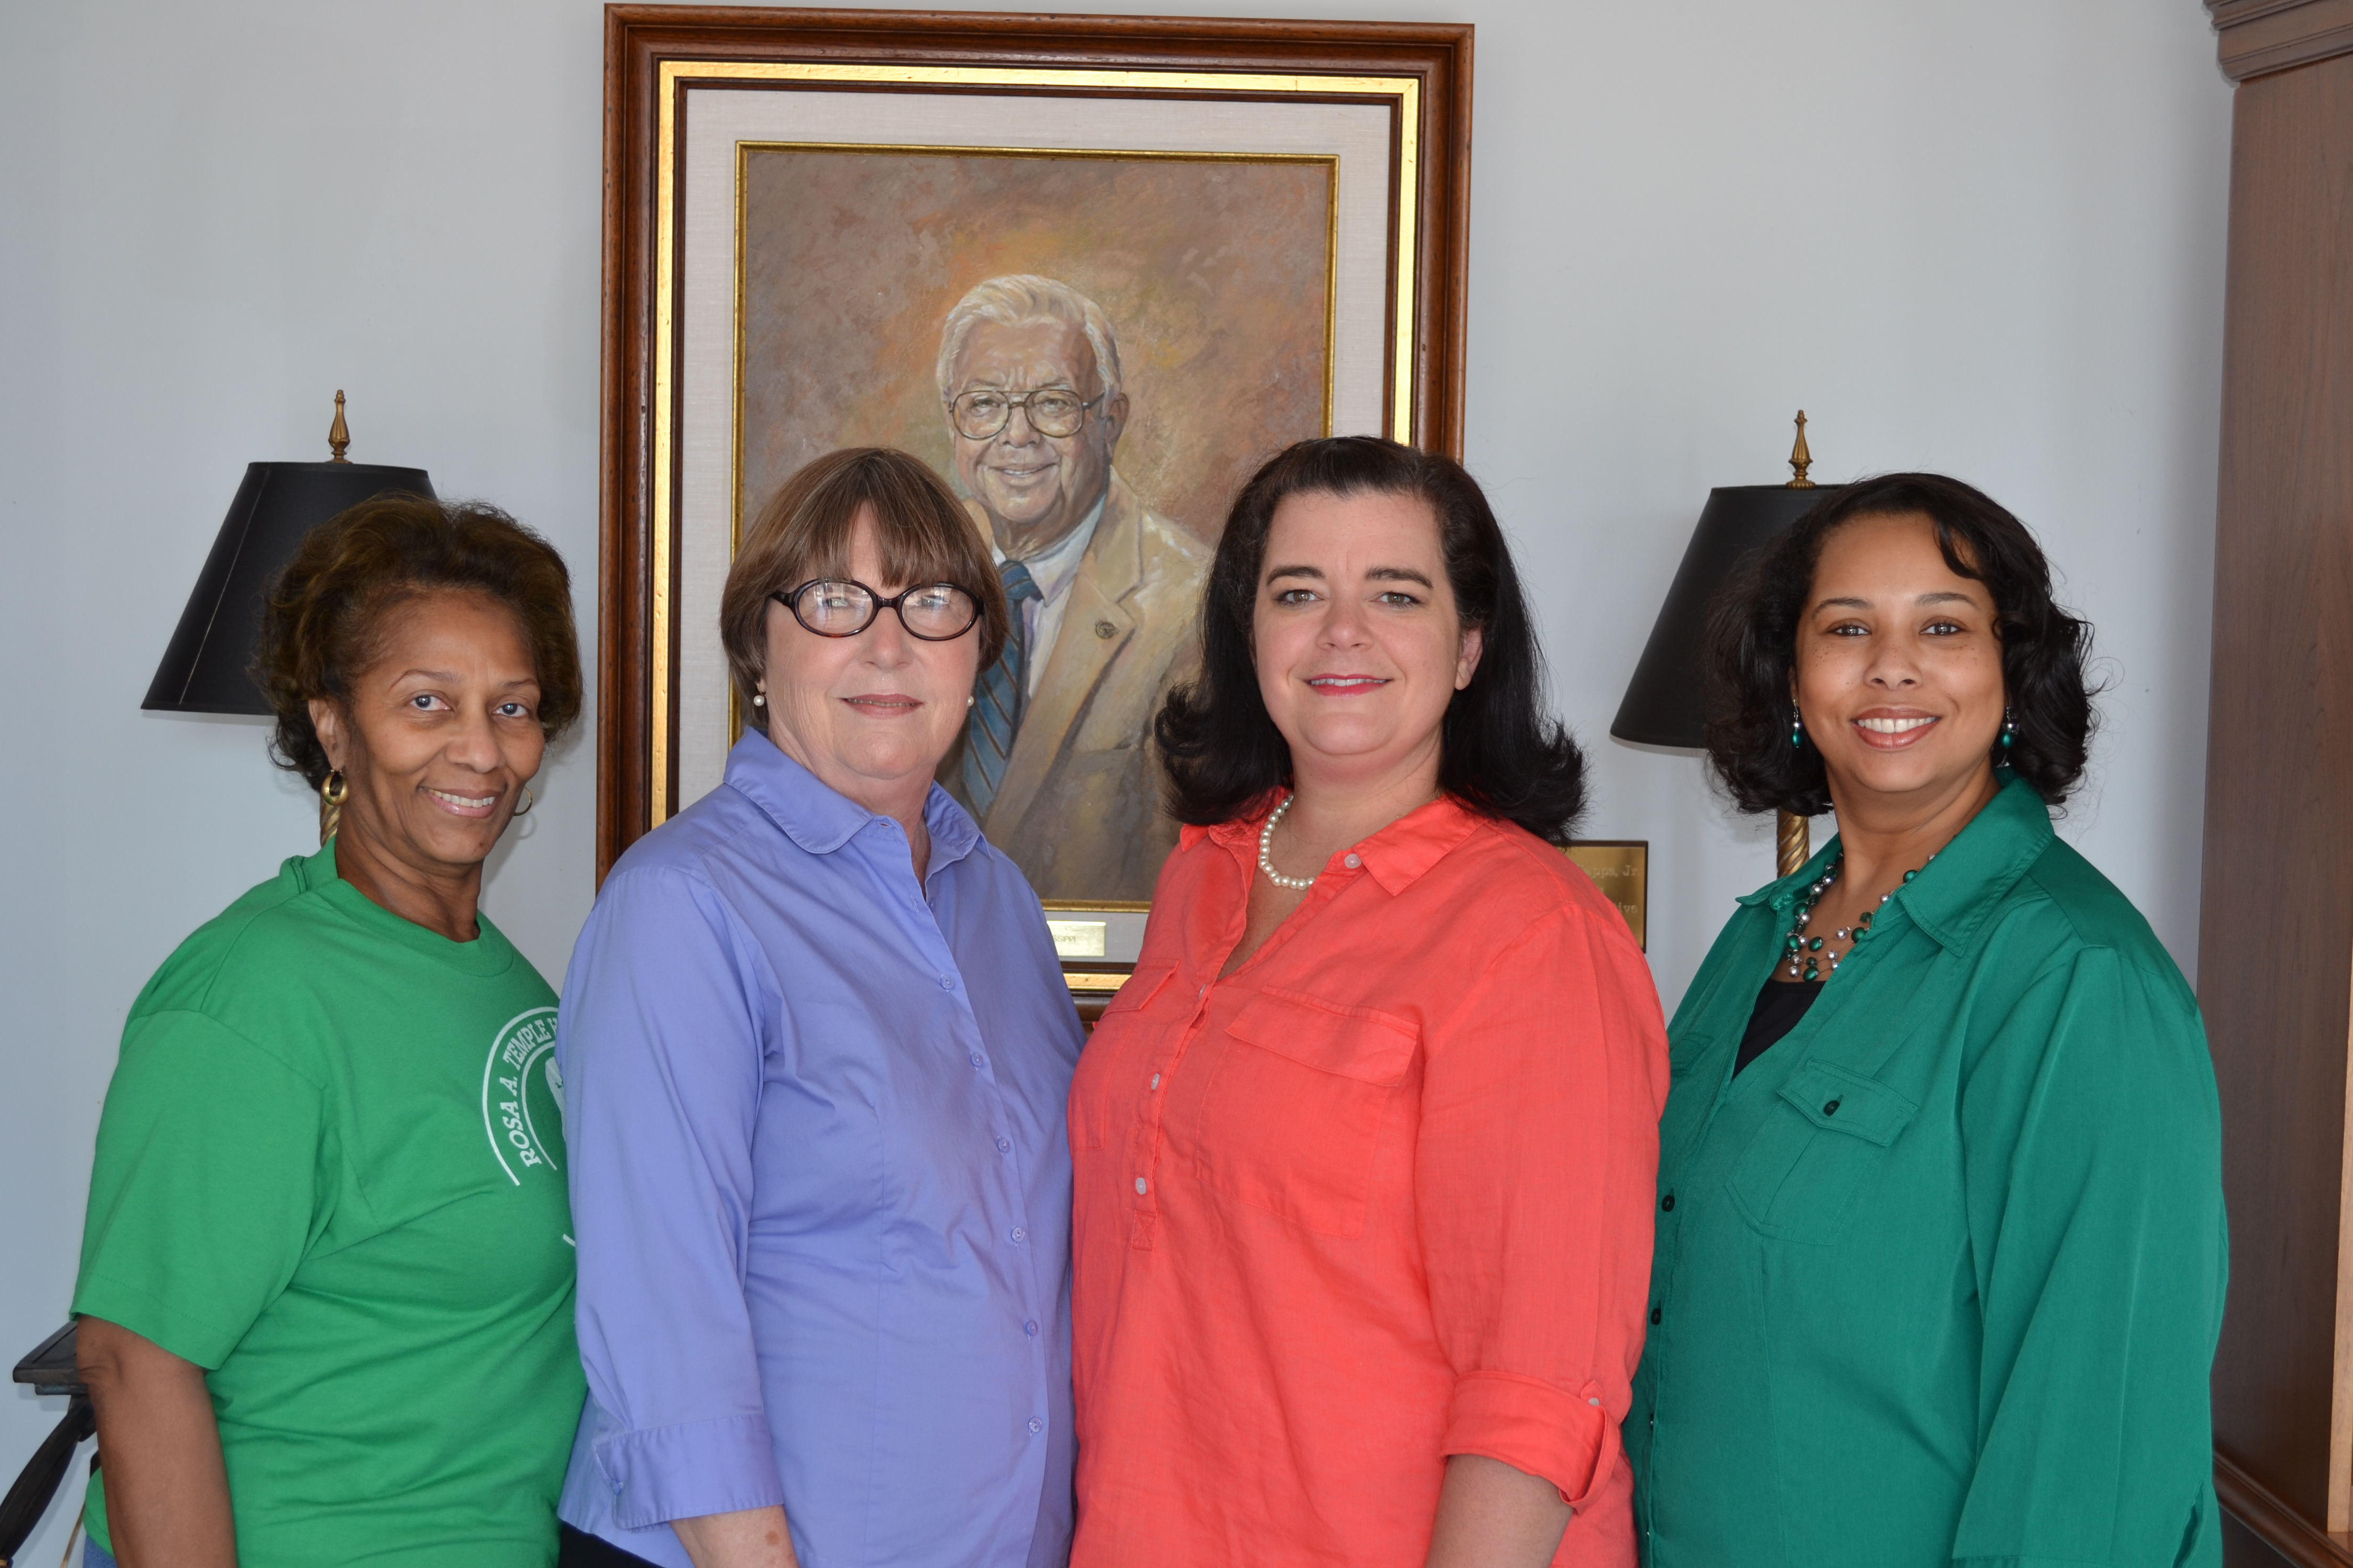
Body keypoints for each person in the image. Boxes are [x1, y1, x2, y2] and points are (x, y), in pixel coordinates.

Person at [1069, 436, 1668, 1567]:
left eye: (1396, 594)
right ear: (1251, 638)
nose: (1343, 632)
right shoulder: (1202, 875)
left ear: (1467, 648)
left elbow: (1539, 1394)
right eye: (1300, 593)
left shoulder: (1535, 936)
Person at [1627, 475, 2226, 1565]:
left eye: (1943, 627)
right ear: (1794, 677)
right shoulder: (1760, 941)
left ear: (2014, 670)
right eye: (1846, 627)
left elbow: (2099, 1454)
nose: (1890, 665)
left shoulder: (2076, 981)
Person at [556, 447, 1085, 1568]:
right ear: (758, 644)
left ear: (979, 648)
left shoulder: (1000, 905)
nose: (888, 643)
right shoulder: (681, 905)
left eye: (931, 600)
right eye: (837, 601)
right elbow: (664, 1318)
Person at [72, 495, 586, 1568]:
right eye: (427, 702)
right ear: (334, 725)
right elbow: (133, 1359)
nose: (481, 752)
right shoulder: (251, 998)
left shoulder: (516, 988)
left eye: (514, 707)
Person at [933, 273, 1210, 901]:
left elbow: (1191, 888)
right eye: (984, 404)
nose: (1017, 436)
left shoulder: (1194, 611)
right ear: (953, 421)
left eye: (1054, 403)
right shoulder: (908, 569)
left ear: (1111, 421)